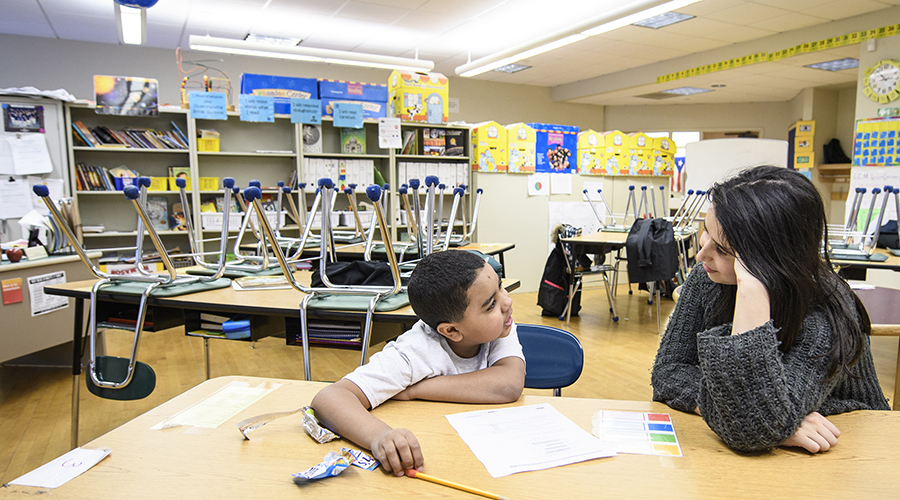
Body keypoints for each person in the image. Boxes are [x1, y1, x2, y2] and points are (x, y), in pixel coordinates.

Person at [652, 166, 889, 454]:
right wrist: (772, 420)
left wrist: (752, 289)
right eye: (706, 232)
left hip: (850, 446)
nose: (701, 253)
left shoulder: (827, 310)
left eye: (723, 250)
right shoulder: (708, 275)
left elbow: (751, 429)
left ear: (770, 261)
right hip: (779, 444)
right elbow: (669, 372)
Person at [310, 250, 525, 475]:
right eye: (490, 305)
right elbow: (329, 398)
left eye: (500, 287)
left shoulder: (501, 324)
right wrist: (378, 436)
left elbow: (508, 384)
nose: (507, 301)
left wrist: (416, 390)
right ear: (451, 330)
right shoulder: (415, 350)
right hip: (437, 456)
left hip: (484, 455)